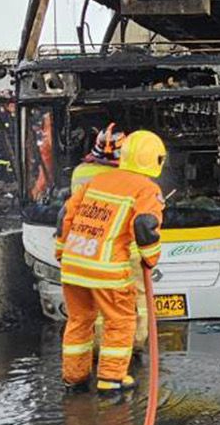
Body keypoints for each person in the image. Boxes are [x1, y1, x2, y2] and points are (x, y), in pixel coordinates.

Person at [55, 129, 166, 395]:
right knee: (121, 320)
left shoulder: (97, 181)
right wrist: (151, 259)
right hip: (107, 269)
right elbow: (145, 225)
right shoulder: (147, 189)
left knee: (79, 321)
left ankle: (75, 377)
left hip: (73, 264)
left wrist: (61, 252)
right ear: (156, 160)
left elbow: (64, 216)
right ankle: (111, 378)